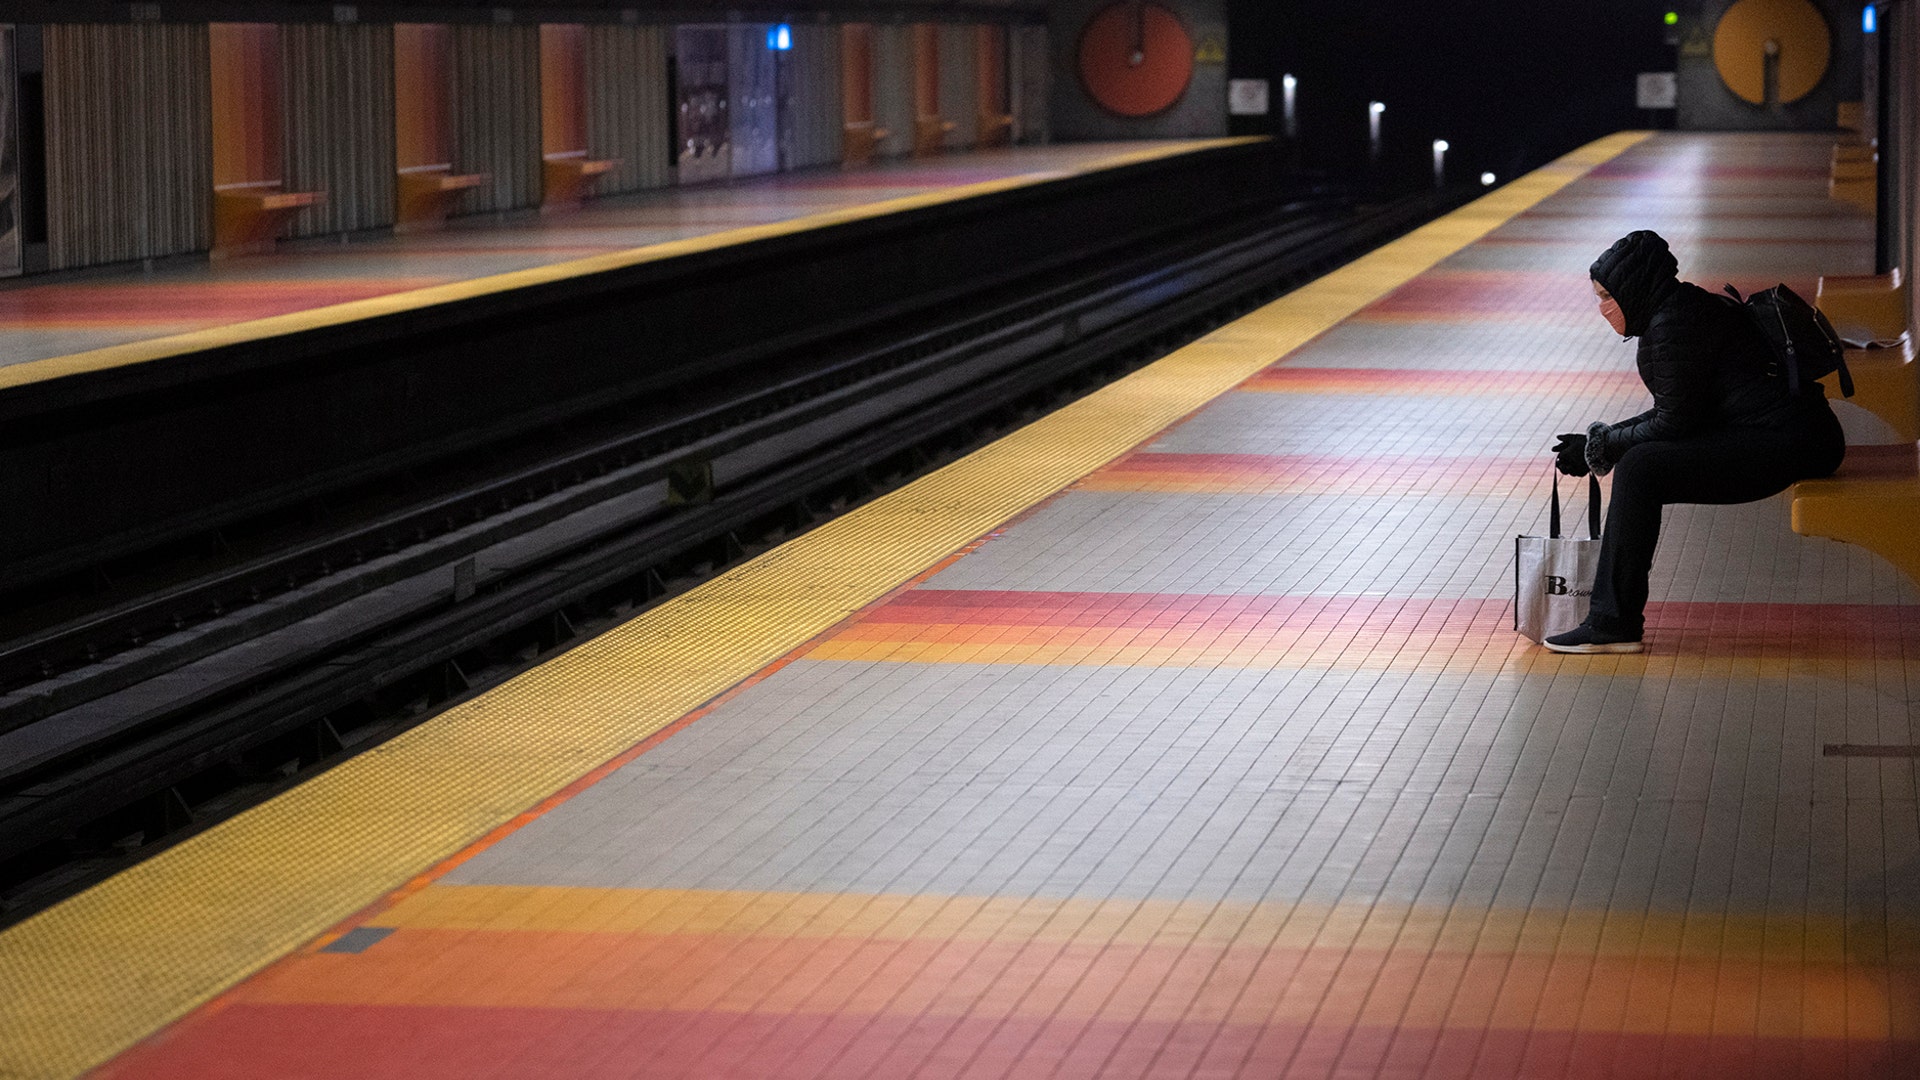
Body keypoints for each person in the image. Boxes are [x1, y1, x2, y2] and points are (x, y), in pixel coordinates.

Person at [1543, 230, 1846, 654]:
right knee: (1641, 463)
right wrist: (1602, 441)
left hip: (1789, 442)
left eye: (1607, 297)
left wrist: (1603, 446)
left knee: (1640, 470)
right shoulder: (1679, 309)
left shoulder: (1672, 324)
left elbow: (1674, 422)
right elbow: (1683, 412)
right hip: (1796, 433)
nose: (1602, 309)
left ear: (1633, 291)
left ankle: (1613, 622)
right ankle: (1613, 619)